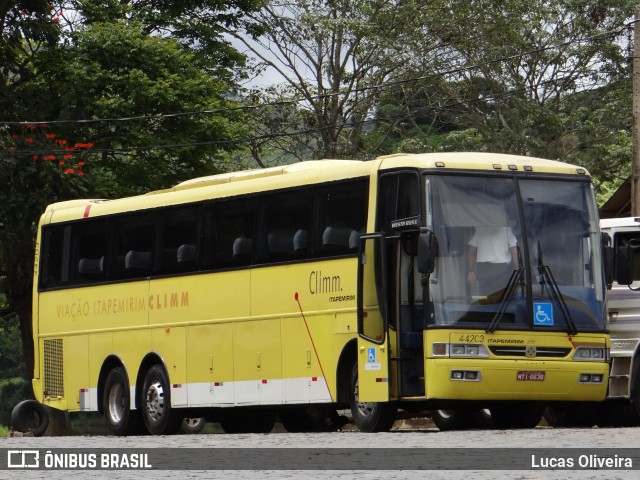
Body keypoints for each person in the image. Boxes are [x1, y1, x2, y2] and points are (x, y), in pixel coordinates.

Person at [466, 226, 519, 296]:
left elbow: (471, 251)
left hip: (483, 269)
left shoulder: (480, 229)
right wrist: (518, 269)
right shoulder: (506, 230)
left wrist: (471, 270)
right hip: (500, 270)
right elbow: (514, 251)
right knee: (501, 296)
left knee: (485, 296)